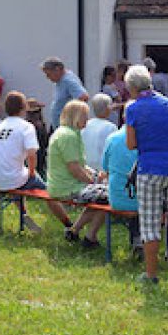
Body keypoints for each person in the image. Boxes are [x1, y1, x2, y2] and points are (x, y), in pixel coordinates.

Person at [124, 63, 168, 288]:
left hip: (151, 169)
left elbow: (131, 144)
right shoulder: (165, 103)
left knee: (150, 224)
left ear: (131, 87)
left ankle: (151, 274)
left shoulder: (133, 108)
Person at [46, 99, 105, 248]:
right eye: (85, 116)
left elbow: (80, 164)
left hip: (62, 184)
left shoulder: (68, 132)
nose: (87, 119)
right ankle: (90, 237)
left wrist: (93, 174)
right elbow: (74, 168)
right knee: (107, 197)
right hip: (67, 187)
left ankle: (74, 230)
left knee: (101, 194)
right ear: (76, 116)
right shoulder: (69, 136)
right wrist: (92, 182)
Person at [0, 90, 46, 233]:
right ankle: (68, 224)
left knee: (17, 177)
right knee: (48, 191)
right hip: (12, 178)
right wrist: (33, 173)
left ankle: (24, 215)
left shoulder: (0, 126)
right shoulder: (26, 126)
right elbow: (32, 155)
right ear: (24, 107)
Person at [101, 122, 140, 254]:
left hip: (116, 198)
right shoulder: (146, 141)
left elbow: (105, 168)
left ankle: (137, 239)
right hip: (140, 199)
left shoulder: (112, 138)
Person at [41, 56, 89, 131]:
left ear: (57, 69)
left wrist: (72, 117)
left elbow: (83, 96)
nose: (48, 77)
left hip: (66, 127)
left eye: (49, 74)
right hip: (59, 125)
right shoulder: (61, 80)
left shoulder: (68, 81)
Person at [80, 93, 117, 172]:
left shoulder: (85, 125)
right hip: (102, 169)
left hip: (86, 167)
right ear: (107, 108)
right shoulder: (111, 127)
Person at [24, 98, 50, 177]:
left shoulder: (25, 125)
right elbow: (45, 143)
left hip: (26, 160)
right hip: (39, 159)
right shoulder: (40, 125)